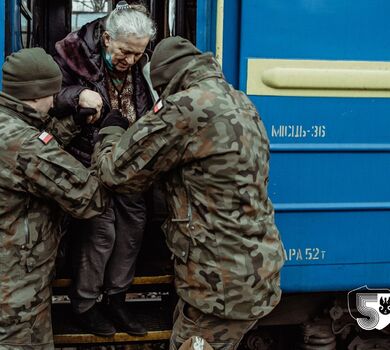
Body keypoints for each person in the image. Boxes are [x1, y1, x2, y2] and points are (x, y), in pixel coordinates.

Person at [94, 36, 286, 350]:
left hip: (219, 288)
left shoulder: (186, 107)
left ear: (166, 81)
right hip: (251, 270)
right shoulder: (239, 100)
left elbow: (116, 172)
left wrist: (112, 128)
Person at [52, 1, 157, 336]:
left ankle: (117, 299)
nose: (131, 61)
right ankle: (84, 304)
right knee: (101, 231)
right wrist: (78, 95)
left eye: (138, 54)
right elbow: (47, 94)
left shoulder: (143, 62)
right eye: (125, 52)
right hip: (88, 157)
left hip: (129, 160)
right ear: (108, 38)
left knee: (132, 226)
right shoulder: (71, 51)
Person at [0, 47, 109, 350]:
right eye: (53, 92)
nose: (55, 100)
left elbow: (32, 158)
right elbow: (90, 198)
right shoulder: (26, 146)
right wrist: (109, 140)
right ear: (37, 94)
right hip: (16, 295)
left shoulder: (9, 127)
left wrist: (73, 123)